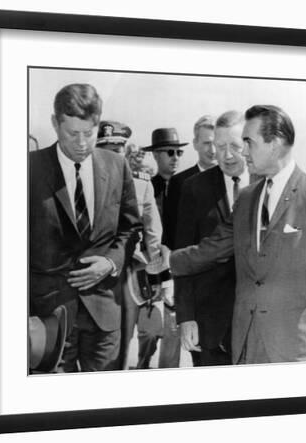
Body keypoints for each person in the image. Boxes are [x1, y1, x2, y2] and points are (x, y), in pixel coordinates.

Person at [170, 105, 306, 364]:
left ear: (275, 143)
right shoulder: (248, 198)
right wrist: (169, 261)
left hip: (295, 349)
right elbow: (212, 248)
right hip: (247, 344)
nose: (243, 151)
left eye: (248, 142)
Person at [29, 84, 141, 372]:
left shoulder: (118, 166)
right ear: (55, 124)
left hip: (105, 314)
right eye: (72, 133)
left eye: (88, 134)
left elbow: (130, 230)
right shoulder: (27, 169)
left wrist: (110, 262)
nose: (81, 143)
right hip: (48, 317)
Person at [175, 110, 249, 366]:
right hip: (208, 323)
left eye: (235, 146)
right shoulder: (194, 188)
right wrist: (185, 317)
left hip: (256, 321)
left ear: (248, 144)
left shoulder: (267, 185)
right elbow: (182, 255)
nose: (227, 155)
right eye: (220, 146)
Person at [96, 121, 170, 369]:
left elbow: (154, 235)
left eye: (119, 148)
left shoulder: (141, 183)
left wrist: (161, 278)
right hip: (101, 275)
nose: (114, 154)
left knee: (146, 335)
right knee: (109, 343)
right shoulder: (85, 183)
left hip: (134, 274)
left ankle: (139, 375)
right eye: (107, 148)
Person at [142, 127, 190, 368]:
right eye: (169, 152)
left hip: (177, 273)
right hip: (149, 275)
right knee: (146, 337)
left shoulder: (190, 188)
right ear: (156, 155)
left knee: (172, 335)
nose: (176, 157)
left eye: (178, 152)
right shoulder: (144, 188)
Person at [165, 115, 216, 249]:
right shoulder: (180, 183)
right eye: (207, 143)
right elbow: (172, 231)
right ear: (195, 143)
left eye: (216, 143)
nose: (213, 150)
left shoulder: (233, 180)